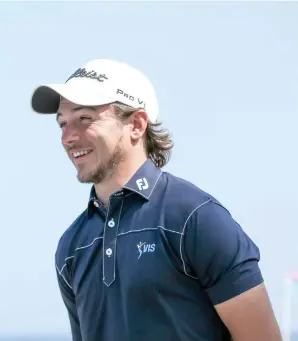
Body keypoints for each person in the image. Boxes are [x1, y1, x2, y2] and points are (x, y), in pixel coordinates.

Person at [30, 59, 282, 341]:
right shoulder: (72, 245)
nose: (68, 137)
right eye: (62, 123)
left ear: (136, 124)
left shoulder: (195, 219)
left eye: (84, 119)